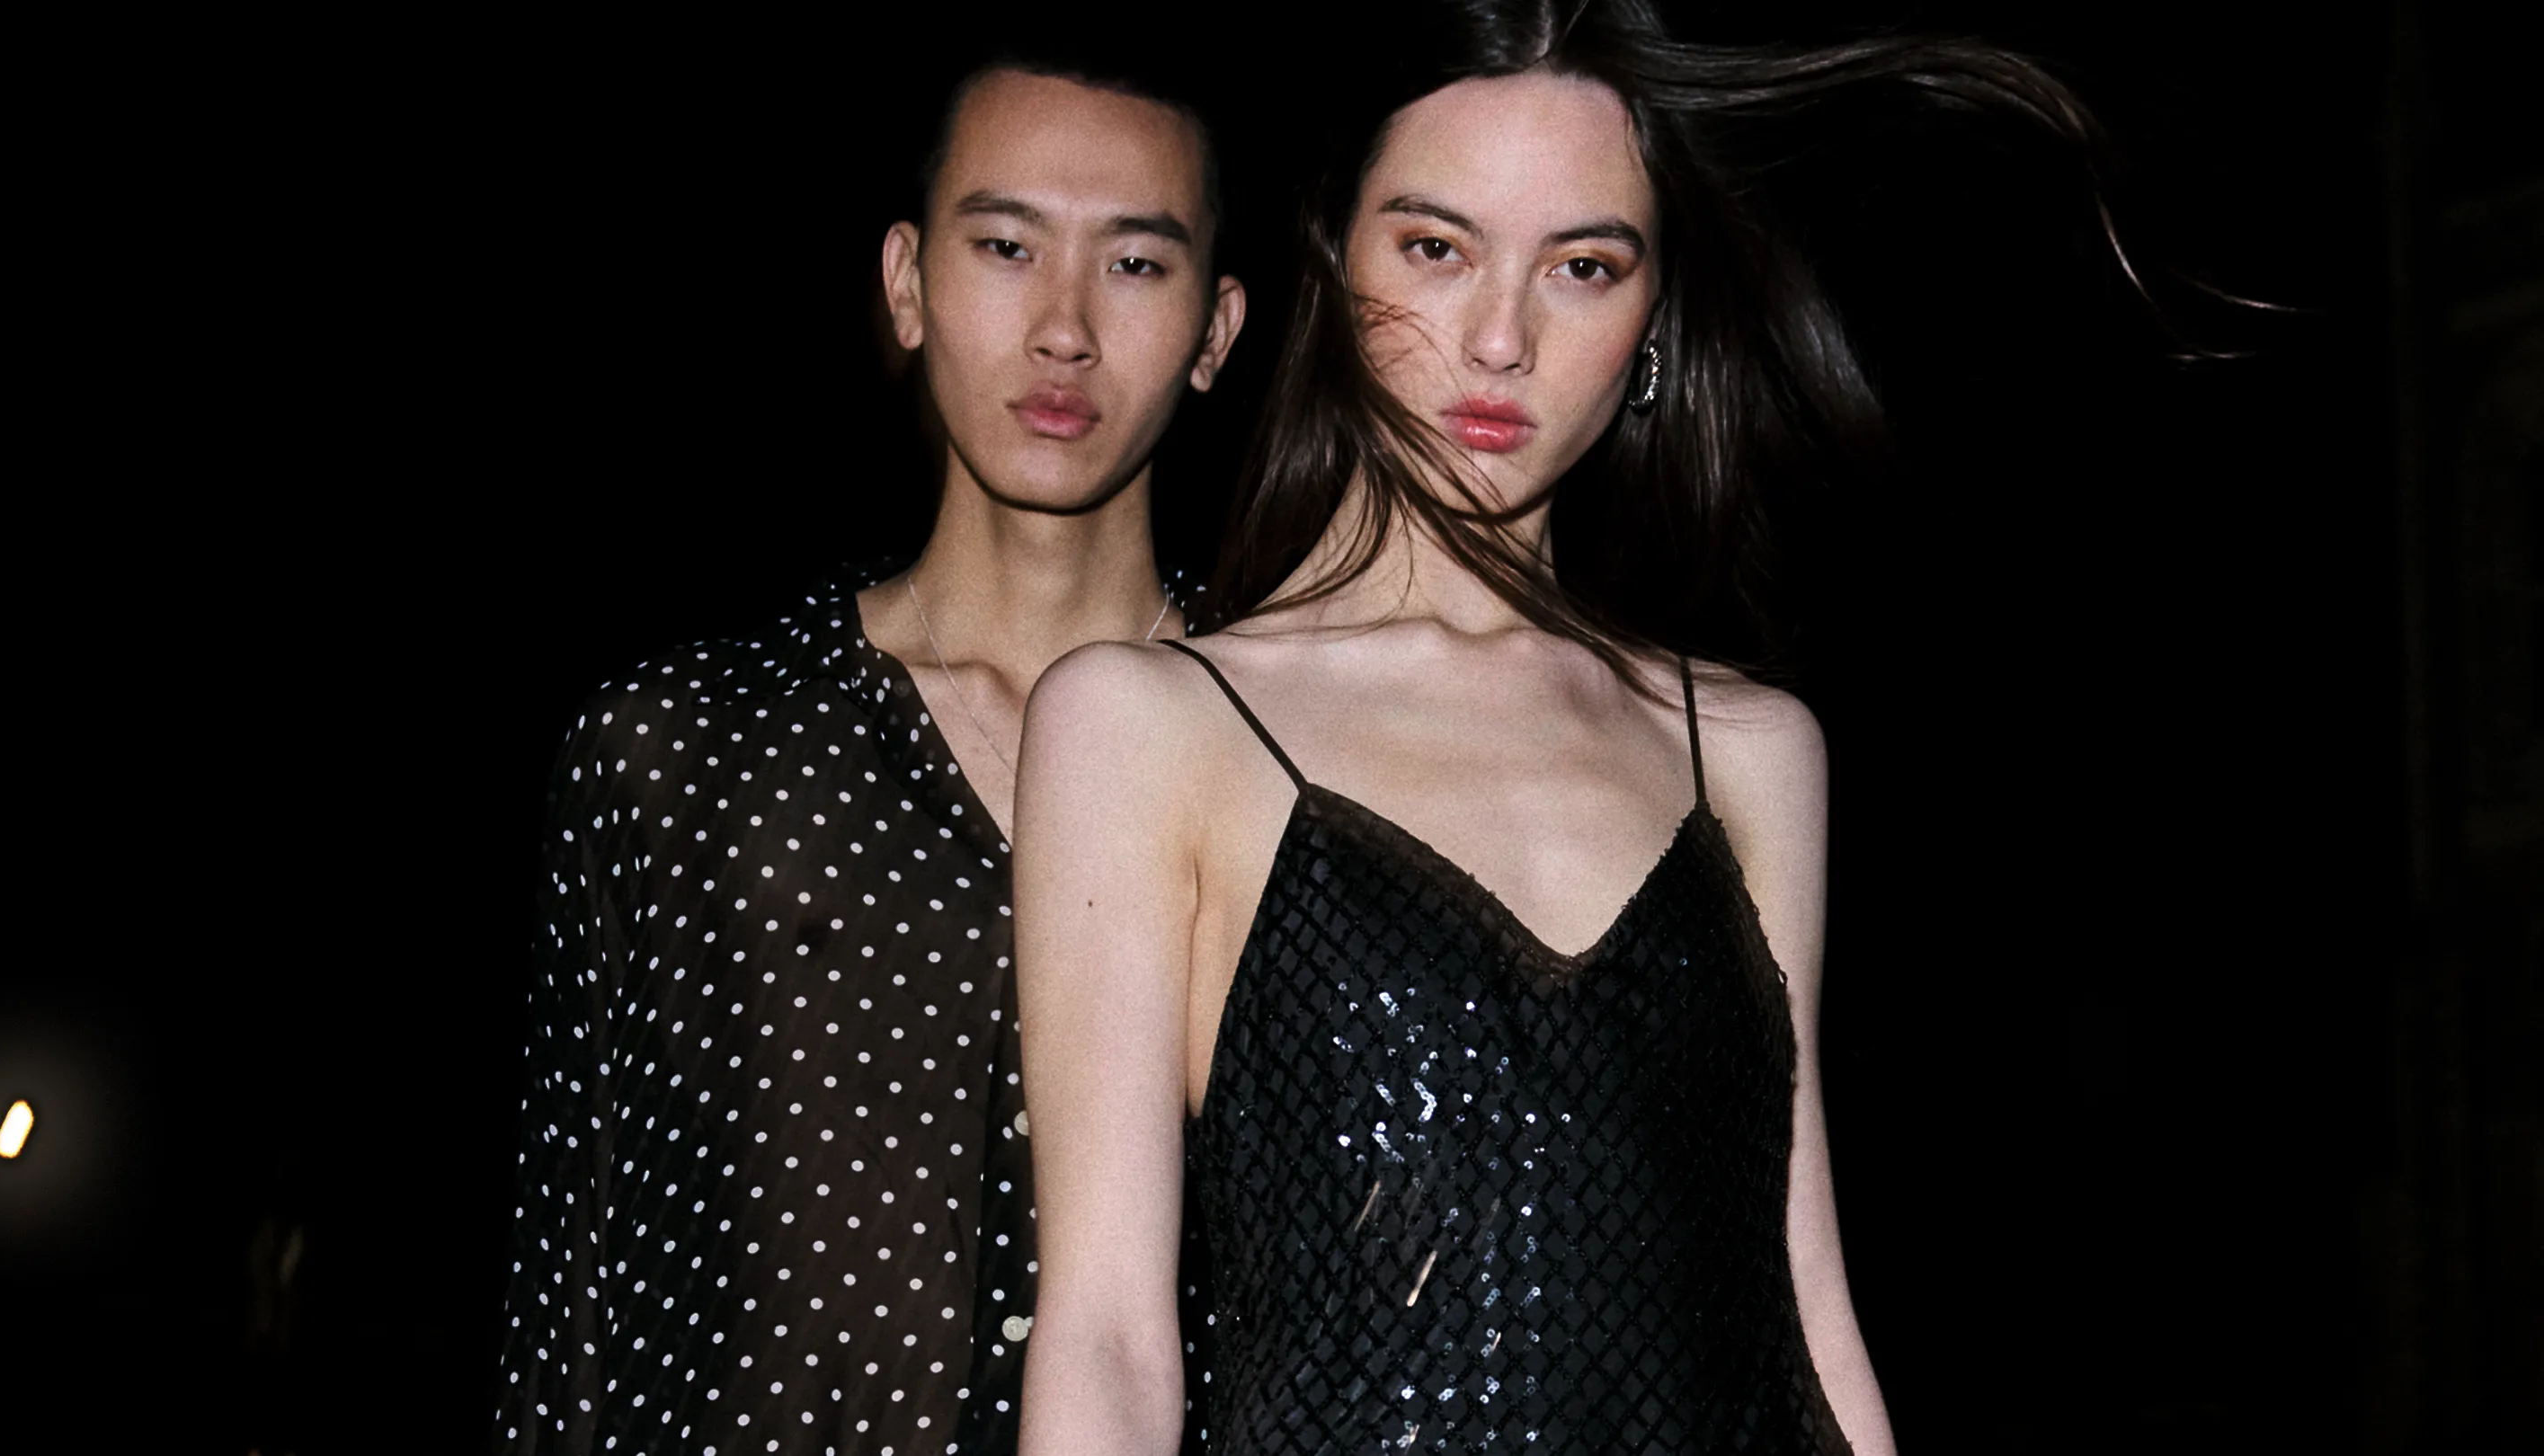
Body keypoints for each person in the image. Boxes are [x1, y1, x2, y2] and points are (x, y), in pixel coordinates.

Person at [1010, 4, 2144, 1452]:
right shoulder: (1149, 724)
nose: (1501, 336)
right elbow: (1106, 1337)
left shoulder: (1747, 748)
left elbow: (1803, 1307)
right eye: (1435, 247)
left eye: (1584, 267)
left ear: (1653, 322)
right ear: (1331, 260)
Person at [492, 50, 1245, 1456]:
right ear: (908, 283)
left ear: (1217, 328)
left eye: (1137, 264)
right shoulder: (680, 753)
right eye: (1008, 247)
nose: (1065, 328)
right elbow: (563, 1326)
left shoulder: (1291, 780)